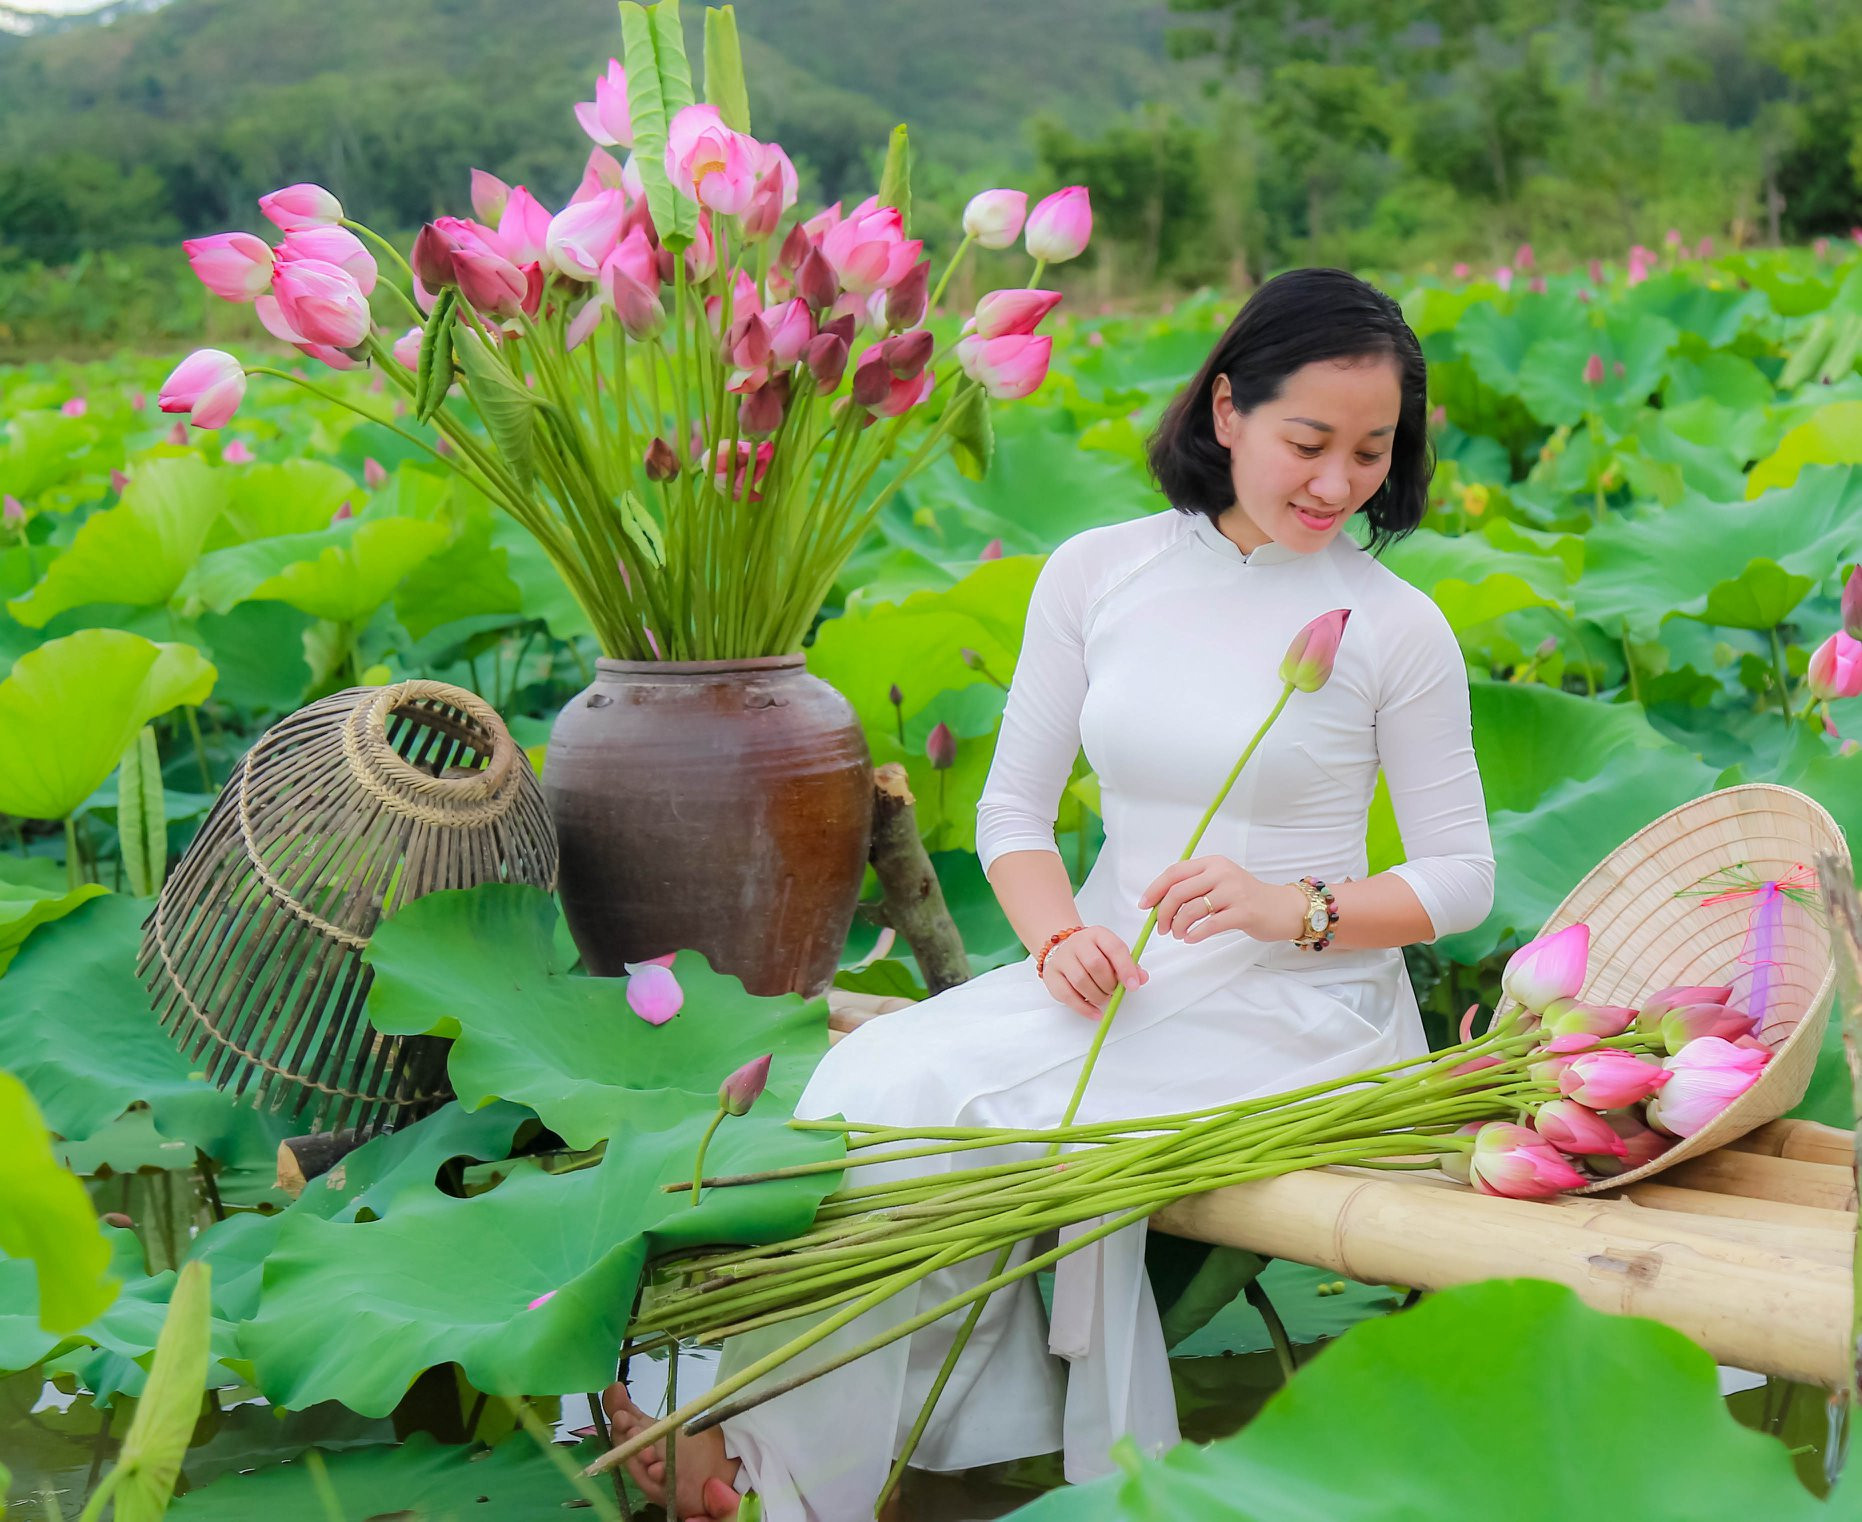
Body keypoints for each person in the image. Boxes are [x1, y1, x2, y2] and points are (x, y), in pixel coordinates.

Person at [603, 266, 1496, 1521]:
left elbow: (1459, 877)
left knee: (940, 1097)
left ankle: (775, 1475)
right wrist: (1057, 933)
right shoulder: (1098, 572)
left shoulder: (1392, 625)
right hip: (1110, 971)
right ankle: (761, 1443)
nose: (1336, 483)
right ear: (1228, 409)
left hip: (1296, 1012)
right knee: (872, 1081)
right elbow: (1016, 816)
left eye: (1369, 450)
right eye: (1308, 441)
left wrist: (1281, 904)